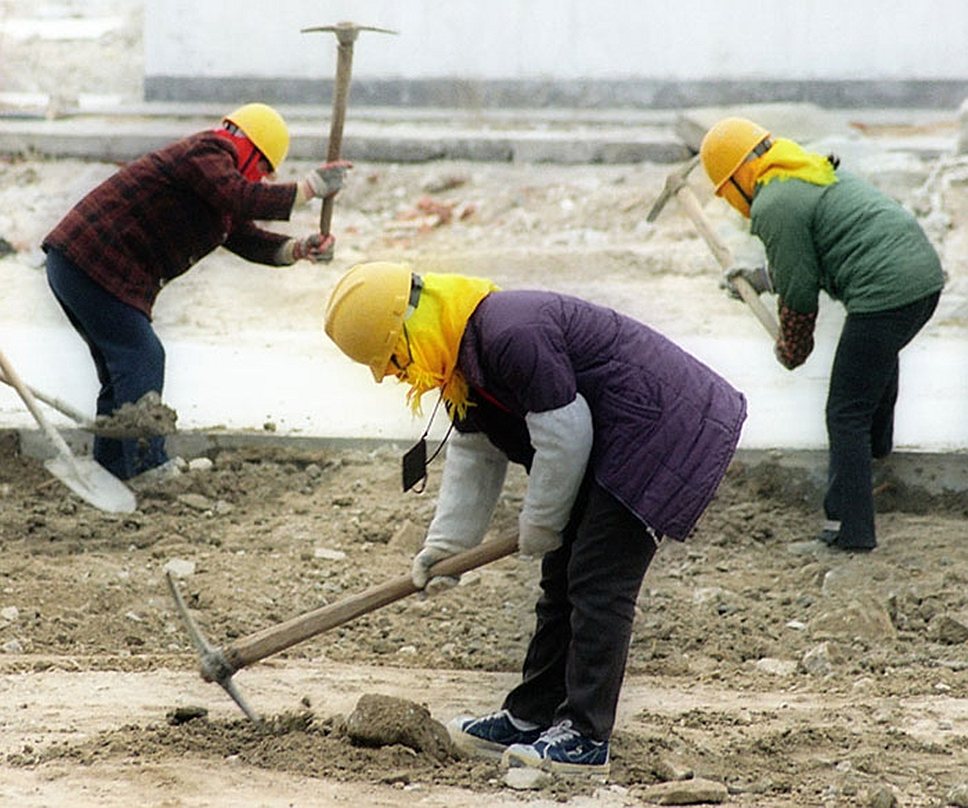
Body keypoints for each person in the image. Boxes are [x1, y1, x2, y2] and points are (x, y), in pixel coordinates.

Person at [323, 261, 747, 779]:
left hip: (662, 428)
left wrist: (542, 524)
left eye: (391, 356)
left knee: (596, 580)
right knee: (561, 578)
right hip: (612, 440)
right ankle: (531, 716)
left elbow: (565, 433)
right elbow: (475, 455)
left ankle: (586, 737)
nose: (392, 373)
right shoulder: (461, 356)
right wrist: (446, 550)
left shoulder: (508, 333)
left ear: (410, 325)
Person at [42, 102, 352, 482]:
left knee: (122, 370)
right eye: (265, 172)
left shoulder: (215, 182)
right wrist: (311, 189)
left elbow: (243, 234)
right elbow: (242, 198)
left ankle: (113, 468)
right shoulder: (208, 152)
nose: (263, 182)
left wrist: (297, 249)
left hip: (82, 265)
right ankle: (147, 465)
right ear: (253, 151)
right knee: (141, 356)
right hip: (91, 261)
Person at [699, 117, 945, 552]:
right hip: (921, 281)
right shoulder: (804, 170)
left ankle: (849, 531)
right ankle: (876, 451)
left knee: (844, 412)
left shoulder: (774, 202)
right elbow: (809, 256)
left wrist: (792, 347)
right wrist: (758, 279)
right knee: (876, 357)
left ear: (737, 177)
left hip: (885, 292)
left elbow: (798, 292)